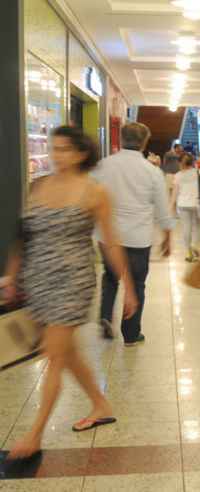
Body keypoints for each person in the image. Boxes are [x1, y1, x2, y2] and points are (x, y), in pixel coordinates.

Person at [3, 126, 138, 459]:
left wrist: (129, 288)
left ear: (81, 153)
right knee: (66, 353)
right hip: (37, 280)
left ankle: (34, 435)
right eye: (54, 148)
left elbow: (111, 242)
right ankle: (101, 404)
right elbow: (23, 236)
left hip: (72, 282)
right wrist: (11, 276)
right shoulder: (38, 186)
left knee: (54, 356)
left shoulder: (94, 192)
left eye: (65, 149)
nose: (57, 155)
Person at [93, 122, 175, 343]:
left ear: (120, 139)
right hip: (138, 237)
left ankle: (105, 317)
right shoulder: (151, 171)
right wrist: (168, 235)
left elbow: (91, 197)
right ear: (144, 142)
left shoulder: (103, 166)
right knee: (137, 284)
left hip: (108, 235)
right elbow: (161, 206)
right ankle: (131, 333)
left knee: (110, 278)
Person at [171, 153, 200, 262]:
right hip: (196, 204)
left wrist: (171, 206)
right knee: (198, 227)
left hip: (183, 204)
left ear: (180, 163)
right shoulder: (199, 173)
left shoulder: (178, 175)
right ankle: (194, 245)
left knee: (186, 228)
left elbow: (175, 193)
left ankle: (188, 252)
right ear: (193, 162)